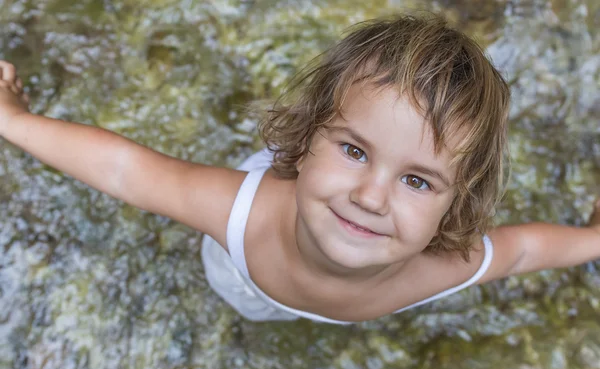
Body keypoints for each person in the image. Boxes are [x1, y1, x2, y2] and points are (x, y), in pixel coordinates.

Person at [0, 14, 598, 325]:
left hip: (296, 260)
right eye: (355, 150)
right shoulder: (239, 212)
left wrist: (593, 240)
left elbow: (520, 251)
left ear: (455, 206)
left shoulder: (436, 268)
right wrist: (16, 122)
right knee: (241, 300)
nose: (370, 196)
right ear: (308, 134)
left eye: (417, 180)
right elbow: (126, 172)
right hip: (243, 267)